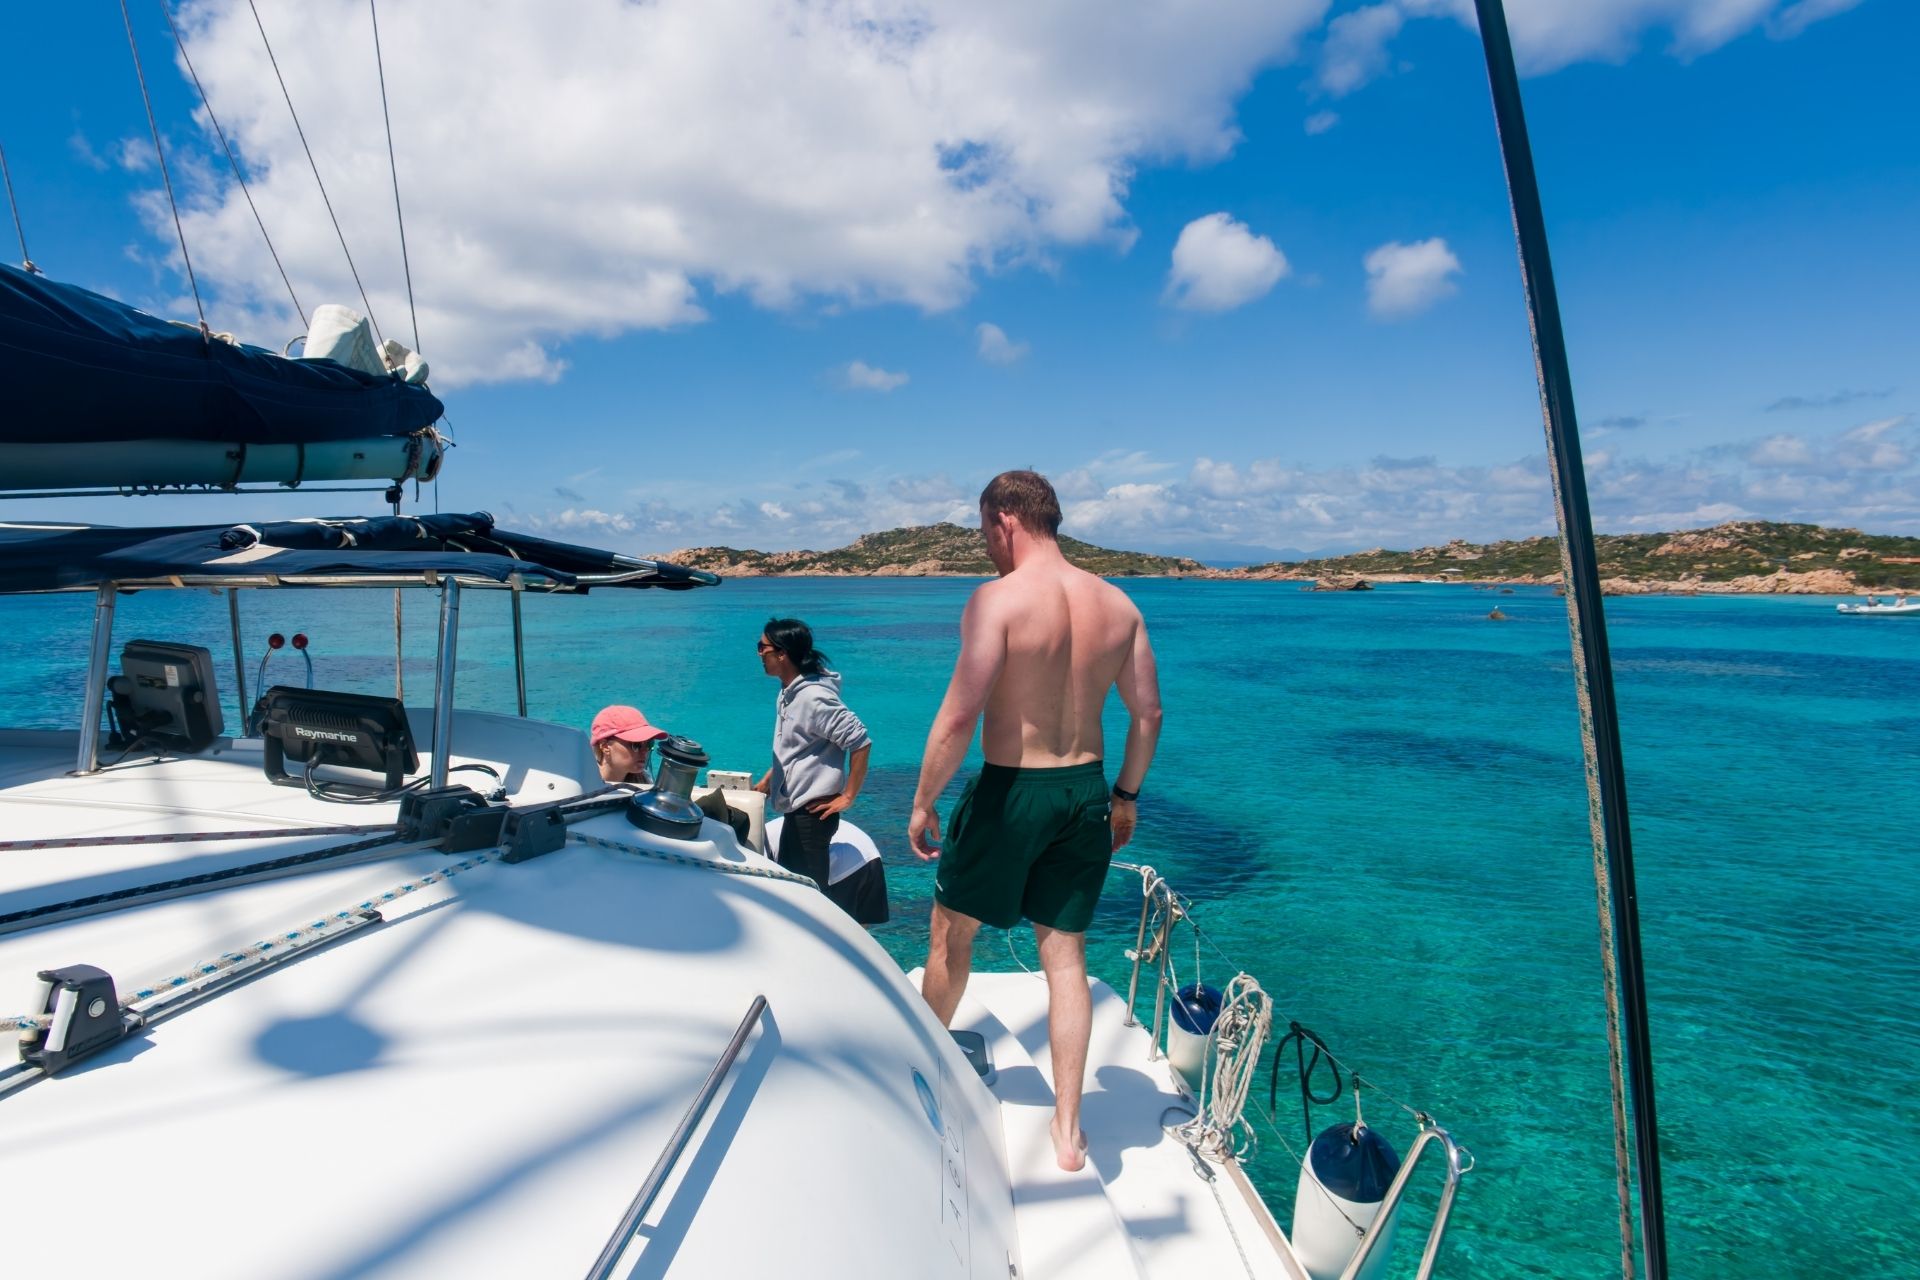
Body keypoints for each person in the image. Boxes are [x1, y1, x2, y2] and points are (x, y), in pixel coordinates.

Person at [909, 469, 1162, 1173]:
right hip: (1084, 793)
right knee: (1066, 958)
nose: (987, 545)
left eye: (986, 531)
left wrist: (925, 799)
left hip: (1011, 791)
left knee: (950, 936)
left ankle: (927, 1070)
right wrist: (1127, 796)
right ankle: (1070, 1132)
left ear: (1006, 520)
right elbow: (1148, 715)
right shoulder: (1118, 605)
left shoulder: (997, 600)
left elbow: (961, 714)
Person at [752, 618, 874, 894]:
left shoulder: (814, 697)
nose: (759, 654)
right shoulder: (788, 692)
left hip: (813, 812)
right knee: (789, 887)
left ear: (782, 653)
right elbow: (796, 747)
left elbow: (861, 742)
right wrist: (770, 780)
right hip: (796, 809)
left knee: (807, 893)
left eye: (762, 648)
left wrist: (848, 795)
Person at [590, 704, 668, 785]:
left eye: (649, 744)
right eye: (636, 745)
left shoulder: (646, 783)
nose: (645, 751)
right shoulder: (581, 786)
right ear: (605, 746)